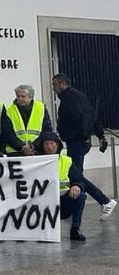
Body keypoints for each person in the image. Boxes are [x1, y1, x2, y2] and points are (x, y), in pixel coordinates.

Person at [52, 73, 116, 219]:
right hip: (81, 140)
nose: (53, 88)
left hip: (76, 141)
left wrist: (80, 136)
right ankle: (83, 203)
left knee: (76, 176)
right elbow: (93, 116)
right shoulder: (80, 96)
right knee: (76, 175)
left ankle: (104, 200)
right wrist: (99, 135)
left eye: (54, 85)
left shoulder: (69, 98)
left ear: (62, 84)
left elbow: (81, 117)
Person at [39, 132, 86, 241]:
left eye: (52, 143)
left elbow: (78, 178)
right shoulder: (36, 161)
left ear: (58, 145)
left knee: (81, 196)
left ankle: (75, 229)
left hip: (63, 201)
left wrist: (76, 186)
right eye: (46, 144)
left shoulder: (67, 161)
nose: (49, 147)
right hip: (43, 202)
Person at [4, 84, 52, 156]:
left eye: (23, 96)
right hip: (16, 151)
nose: (20, 99)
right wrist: (21, 146)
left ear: (31, 97)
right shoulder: (9, 110)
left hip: (37, 150)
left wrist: (33, 146)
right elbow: (8, 133)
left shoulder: (41, 108)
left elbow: (46, 130)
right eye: (18, 96)